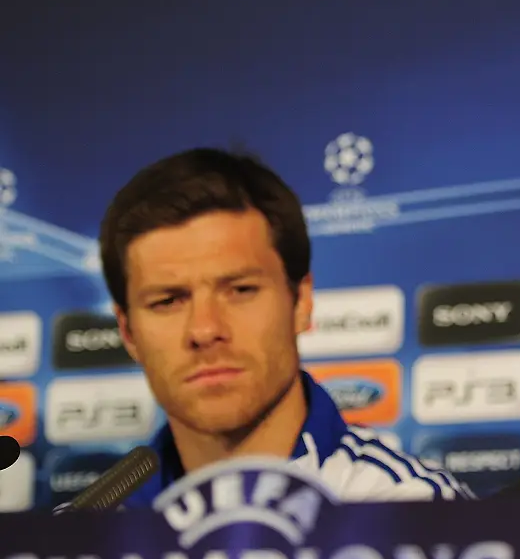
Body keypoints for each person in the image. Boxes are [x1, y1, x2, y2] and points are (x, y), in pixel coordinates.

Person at [97, 148, 470, 504]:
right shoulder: (78, 540)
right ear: (128, 332)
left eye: (241, 290)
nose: (204, 330)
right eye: (168, 301)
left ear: (301, 302)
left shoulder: (418, 516)